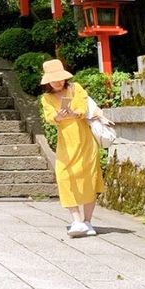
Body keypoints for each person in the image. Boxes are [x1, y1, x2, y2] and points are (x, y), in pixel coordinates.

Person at [38, 58, 105, 236]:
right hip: (66, 143)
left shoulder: (76, 89)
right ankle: (76, 220)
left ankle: (88, 222)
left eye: (60, 78)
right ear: (47, 81)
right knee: (64, 177)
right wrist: (59, 116)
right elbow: (50, 117)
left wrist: (74, 113)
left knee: (89, 179)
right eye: (54, 79)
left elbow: (83, 108)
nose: (58, 82)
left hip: (85, 140)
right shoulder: (47, 98)